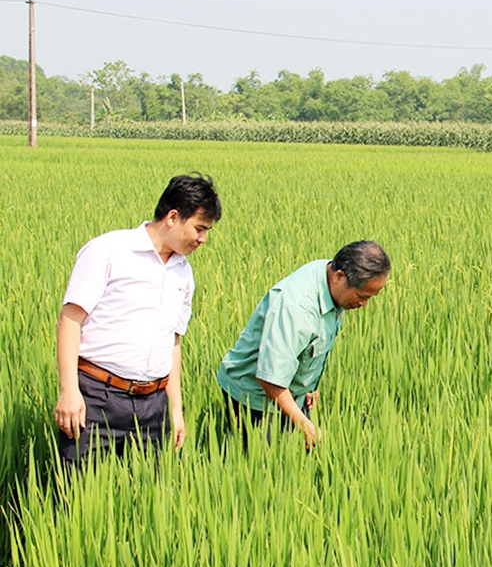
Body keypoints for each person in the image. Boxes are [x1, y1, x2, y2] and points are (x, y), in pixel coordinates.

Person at [54, 173, 222, 466]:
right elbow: (70, 320)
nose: (203, 239)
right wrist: (69, 392)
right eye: (199, 228)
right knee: (78, 488)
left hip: (153, 405)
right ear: (173, 217)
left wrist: (176, 410)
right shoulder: (109, 250)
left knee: (148, 490)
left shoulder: (183, 272)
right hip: (98, 396)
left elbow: (173, 342)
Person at [216, 241, 390, 448]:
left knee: (297, 454)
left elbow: (308, 344)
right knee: (265, 462)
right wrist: (302, 422)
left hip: (290, 390)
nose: (364, 304)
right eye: (362, 296)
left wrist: (308, 384)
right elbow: (270, 378)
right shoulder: (296, 309)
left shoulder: (330, 278)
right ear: (339, 276)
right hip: (255, 396)